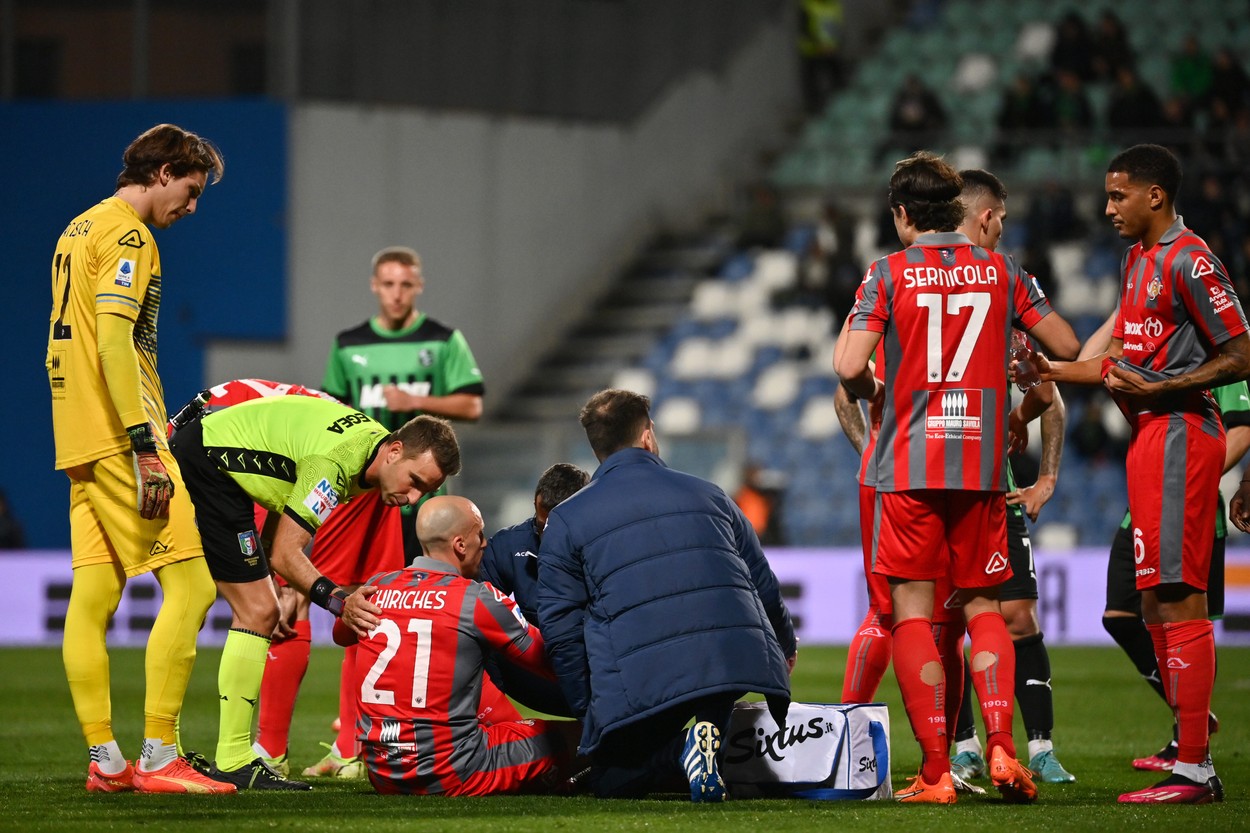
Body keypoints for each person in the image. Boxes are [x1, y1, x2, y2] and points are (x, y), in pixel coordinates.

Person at [835, 152, 1079, 804]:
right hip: (980, 465)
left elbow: (848, 365)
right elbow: (1068, 345)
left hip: (911, 465)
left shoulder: (887, 273)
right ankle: (1003, 745)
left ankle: (939, 770)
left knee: (911, 614)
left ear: (903, 214)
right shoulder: (1004, 271)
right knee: (982, 605)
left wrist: (878, 386)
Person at [1038, 143, 1250, 804]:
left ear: (1155, 195)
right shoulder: (1138, 263)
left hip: (1185, 433)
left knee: (1180, 596)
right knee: (1154, 599)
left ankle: (1196, 765)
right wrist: (1046, 371)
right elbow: (1120, 361)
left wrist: (1172, 385)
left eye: (1117, 195)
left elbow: (1241, 350)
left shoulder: (1191, 259)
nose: (1107, 209)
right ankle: (1187, 747)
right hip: (1150, 438)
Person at [44, 123, 234, 794]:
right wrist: (143, 443)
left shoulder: (77, 229)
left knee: (93, 596)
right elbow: (114, 343)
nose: (191, 205)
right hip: (123, 439)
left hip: (78, 439)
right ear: (162, 174)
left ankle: (107, 760)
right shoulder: (130, 236)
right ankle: (158, 754)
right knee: (192, 586)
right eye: (190, 189)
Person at [168, 396, 461, 789]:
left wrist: (271, 568)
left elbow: (285, 486)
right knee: (254, 610)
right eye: (415, 482)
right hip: (208, 463)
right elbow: (287, 554)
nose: (412, 500)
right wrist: (339, 601)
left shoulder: (371, 454)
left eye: (425, 492)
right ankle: (228, 757)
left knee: (250, 606)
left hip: (216, 457)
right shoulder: (338, 464)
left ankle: (190, 751)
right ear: (394, 451)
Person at [537, 389, 797, 801]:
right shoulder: (712, 494)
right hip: (733, 662)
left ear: (596, 446)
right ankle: (707, 737)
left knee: (609, 779)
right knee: (716, 682)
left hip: (645, 674)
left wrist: (590, 712)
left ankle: (683, 751)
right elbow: (762, 582)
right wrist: (784, 647)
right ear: (647, 434)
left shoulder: (567, 518)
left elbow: (560, 627)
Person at [316, 244, 484, 775]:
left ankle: (415, 725)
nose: (396, 293)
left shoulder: (442, 340)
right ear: (374, 286)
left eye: (405, 285)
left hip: (424, 506)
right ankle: (355, 739)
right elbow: (329, 410)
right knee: (365, 603)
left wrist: (413, 404)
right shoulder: (350, 345)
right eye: (387, 284)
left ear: (418, 286)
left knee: (415, 613)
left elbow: (473, 403)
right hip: (364, 499)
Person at [944, 170, 1076, 785]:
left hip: (992, 482)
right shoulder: (942, 283)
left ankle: (1040, 747)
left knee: (1017, 615)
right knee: (947, 621)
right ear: (988, 216)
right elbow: (1069, 347)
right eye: (1002, 217)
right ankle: (967, 746)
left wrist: (1045, 475)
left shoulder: (1005, 291)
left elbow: (1049, 392)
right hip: (939, 480)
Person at [1077, 316, 1250, 770]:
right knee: (1123, 614)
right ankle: (1189, 724)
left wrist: (1190, 479)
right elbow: (1087, 363)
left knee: (1184, 619)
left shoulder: (1217, 362)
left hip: (1187, 502)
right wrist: (1119, 312)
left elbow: (1241, 431)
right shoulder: (1154, 349)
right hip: (1144, 506)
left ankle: (1190, 746)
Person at [339, 495, 582, 796]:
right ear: (460, 545)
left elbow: (341, 635)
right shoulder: (476, 599)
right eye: (479, 533)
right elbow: (551, 662)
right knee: (583, 736)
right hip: (453, 772)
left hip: (383, 773)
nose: (485, 543)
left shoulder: (377, 588)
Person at [478, 463, 589, 718]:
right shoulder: (506, 548)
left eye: (556, 529)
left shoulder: (606, 546)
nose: (547, 537)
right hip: (534, 680)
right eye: (541, 526)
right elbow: (482, 627)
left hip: (593, 673)